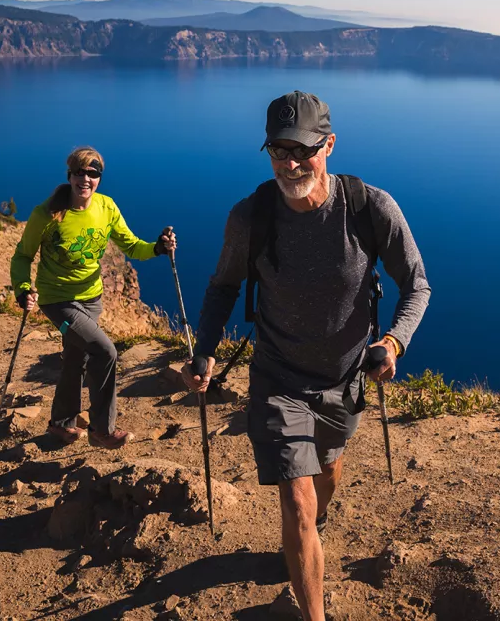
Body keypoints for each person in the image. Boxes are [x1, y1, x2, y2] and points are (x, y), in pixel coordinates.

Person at [182, 91, 430, 621]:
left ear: (330, 145)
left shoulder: (369, 208)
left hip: (345, 381)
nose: (290, 163)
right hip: (278, 378)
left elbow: (417, 285)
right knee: (296, 498)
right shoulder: (251, 217)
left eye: (303, 149)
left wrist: (394, 341)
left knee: (327, 479)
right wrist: (203, 350)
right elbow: (223, 287)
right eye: (278, 150)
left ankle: (304, 543)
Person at [11, 146, 176, 450]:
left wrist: (158, 248)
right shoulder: (46, 215)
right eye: (79, 172)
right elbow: (22, 256)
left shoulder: (106, 207)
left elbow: (132, 245)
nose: (85, 178)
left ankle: (61, 425)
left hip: (91, 300)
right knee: (105, 351)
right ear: (69, 175)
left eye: (93, 173)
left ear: (99, 177)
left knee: (77, 359)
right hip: (57, 302)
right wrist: (23, 289)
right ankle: (103, 430)